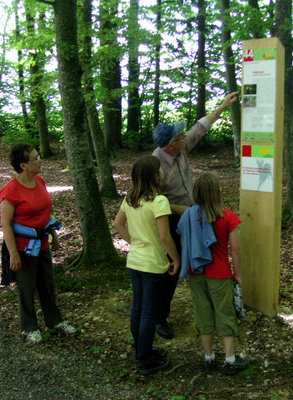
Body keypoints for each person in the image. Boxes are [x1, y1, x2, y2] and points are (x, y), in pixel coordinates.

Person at [151, 91, 239, 339]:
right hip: (171, 219)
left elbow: (200, 128)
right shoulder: (155, 164)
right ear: (170, 145)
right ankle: (159, 318)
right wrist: (185, 211)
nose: (185, 136)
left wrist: (223, 106)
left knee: (199, 257)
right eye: (180, 136)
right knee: (170, 268)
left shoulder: (181, 147)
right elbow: (155, 202)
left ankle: (210, 305)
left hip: (190, 215)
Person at [0, 143, 76, 344]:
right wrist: (13, 254)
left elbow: (46, 213)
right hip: (23, 249)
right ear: (23, 165)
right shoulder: (10, 190)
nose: (40, 160)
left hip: (42, 244)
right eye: (36, 158)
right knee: (26, 288)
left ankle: (54, 321)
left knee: (47, 284)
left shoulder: (39, 181)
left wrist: (54, 237)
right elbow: (6, 224)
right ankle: (29, 327)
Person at [113, 156, 181, 376]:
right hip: (153, 264)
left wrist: (135, 243)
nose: (162, 173)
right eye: (160, 170)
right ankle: (145, 360)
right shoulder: (159, 201)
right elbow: (164, 237)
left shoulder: (131, 198)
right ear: (154, 176)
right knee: (149, 312)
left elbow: (118, 224)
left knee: (138, 308)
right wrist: (176, 258)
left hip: (135, 261)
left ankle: (141, 349)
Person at [177, 172, 249, 375]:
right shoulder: (228, 217)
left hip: (196, 272)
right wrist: (238, 274)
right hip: (220, 274)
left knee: (203, 313)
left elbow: (184, 243)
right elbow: (235, 250)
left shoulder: (188, 216)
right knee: (225, 313)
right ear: (219, 192)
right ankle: (230, 359)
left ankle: (208, 357)